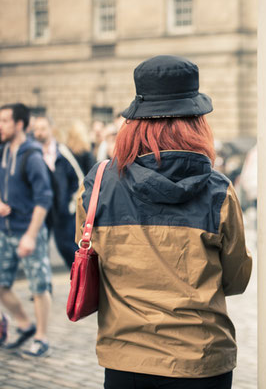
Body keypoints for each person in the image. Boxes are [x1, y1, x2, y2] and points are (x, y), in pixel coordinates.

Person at [75, 55, 252, 389]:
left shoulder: (99, 183)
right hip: (201, 359)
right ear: (197, 123)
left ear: (133, 122)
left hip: (126, 357)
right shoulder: (218, 190)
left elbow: (91, 257)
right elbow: (236, 278)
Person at [0, 103, 53, 358]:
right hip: (4, 231)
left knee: (38, 287)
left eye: (5, 121)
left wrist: (31, 235)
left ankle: (41, 338)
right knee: (1, 284)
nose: (0, 126)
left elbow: (44, 199)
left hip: (28, 231)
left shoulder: (32, 156)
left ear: (19, 124)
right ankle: (24, 325)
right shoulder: (2, 152)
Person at [32, 115, 83, 267]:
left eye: (42, 129)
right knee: (39, 254)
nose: (39, 133)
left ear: (51, 130)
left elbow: (80, 179)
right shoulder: (33, 154)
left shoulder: (62, 151)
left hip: (63, 211)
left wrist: (72, 205)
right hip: (41, 211)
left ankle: (80, 283)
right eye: (36, 129)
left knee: (68, 248)